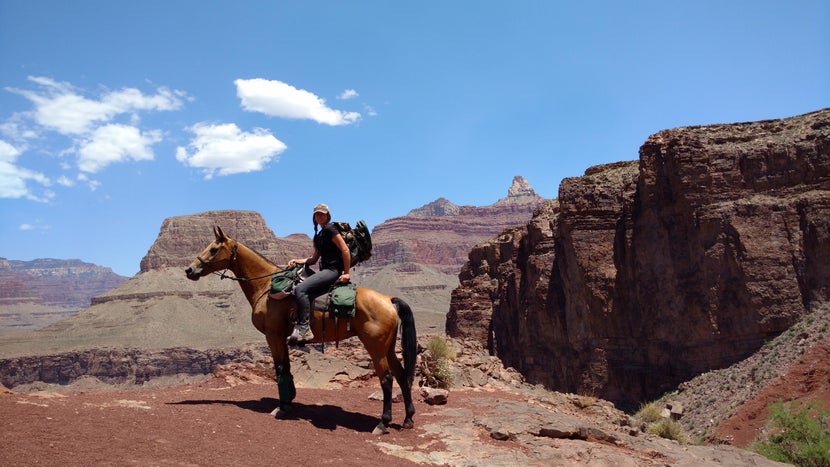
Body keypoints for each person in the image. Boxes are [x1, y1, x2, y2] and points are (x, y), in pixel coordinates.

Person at [285, 203, 351, 344]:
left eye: (322, 213)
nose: (319, 216)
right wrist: (297, 261)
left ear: (327, 215)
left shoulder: (330, 229)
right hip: (325, 270)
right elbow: (314, 259)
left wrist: (346, 273)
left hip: (332, 271)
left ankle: (304, 328)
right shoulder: (320, 234)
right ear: (314, 217)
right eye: (317, 214)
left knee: (300, 289)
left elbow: (345, 250)